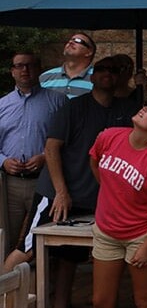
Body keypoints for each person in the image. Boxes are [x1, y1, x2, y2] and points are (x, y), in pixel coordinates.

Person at [2, 57, 132, 308]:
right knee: (26, 248)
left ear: (120, 77)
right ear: (91, 77)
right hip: (56, 191)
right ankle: (2, 298)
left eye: (114, 70)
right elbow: (51, 149)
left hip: (92, 196)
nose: (107, 73)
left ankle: (61, 303)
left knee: (70, 256)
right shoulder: (72, 108)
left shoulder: (125, 110)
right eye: (101, 69)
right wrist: (61, 193)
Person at [88, 101, 147, 308]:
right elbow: (94, 161)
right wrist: (110, 191)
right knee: (100, 300)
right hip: (106, 232)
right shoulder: (109, 136)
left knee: (144, 300)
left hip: (140, 235)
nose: (146, 109)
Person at [0, 52, 67, 255]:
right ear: (12, 71)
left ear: (39, 69)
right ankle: (8, 284)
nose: (24, 70)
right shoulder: (2, 105)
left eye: (29, 65)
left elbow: (69, 142)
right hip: (9, 184)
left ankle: (42, 286)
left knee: (44, 241)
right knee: (6, 238)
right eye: (19, 66)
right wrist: (3, 161)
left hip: (45, 182)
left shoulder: (58, 102)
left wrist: (45, 157)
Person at [40, 32, 97, 99]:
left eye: (78, 41)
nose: (71, 42)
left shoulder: (98, 79)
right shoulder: (45, 77)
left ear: (89, 52)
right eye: (70, 40)